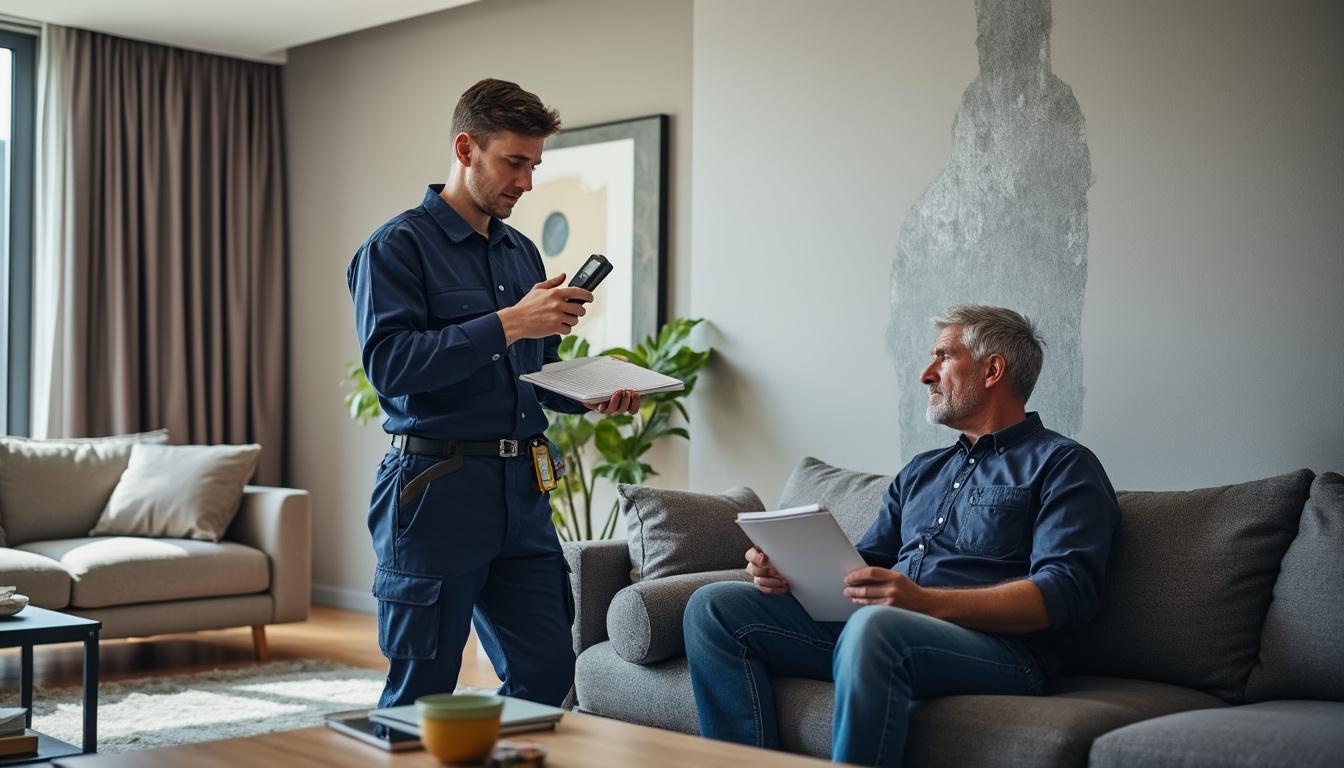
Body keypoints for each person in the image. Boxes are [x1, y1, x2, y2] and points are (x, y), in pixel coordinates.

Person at [683, 305, 1120, 767]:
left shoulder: (1063, 464)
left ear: (992, 370)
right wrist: (789, 572)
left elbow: (1068, 593)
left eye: (943, 357)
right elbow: (862, 563)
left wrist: (923, 602)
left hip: (1001, 652)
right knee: (713, 608)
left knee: (876, 627)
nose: (925, 375)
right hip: (881, 630)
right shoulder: (921, 472)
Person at [347, 78, 639, 709]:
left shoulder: (521, 254)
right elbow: (390, 366)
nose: (526, 182)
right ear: (465, 148)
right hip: (434, 491)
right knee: (420, 688)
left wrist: (589, 393)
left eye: (534, 165)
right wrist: (511, 323)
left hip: (523, 495)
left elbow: (533, 370)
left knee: (549, 675)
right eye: (514, 162)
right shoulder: (395, 248)